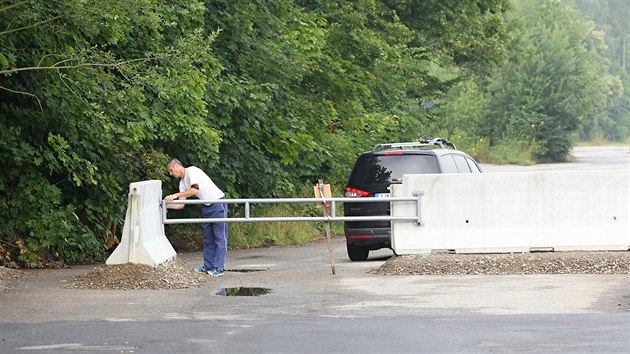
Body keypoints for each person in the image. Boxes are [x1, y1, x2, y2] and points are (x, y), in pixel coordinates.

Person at [164, 158, 228, 276]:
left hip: (218, 203)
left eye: (171, 170)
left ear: (177, 166)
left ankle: (219, 267)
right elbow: (181, 205)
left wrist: (175, 195)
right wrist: (165, 206)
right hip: (206, 206)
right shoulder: (182, 183)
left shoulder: (192, 171)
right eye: (169, 172)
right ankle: (208, 266)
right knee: (208, 238)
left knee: (220, 237)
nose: (171, 174)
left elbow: (194, 190)